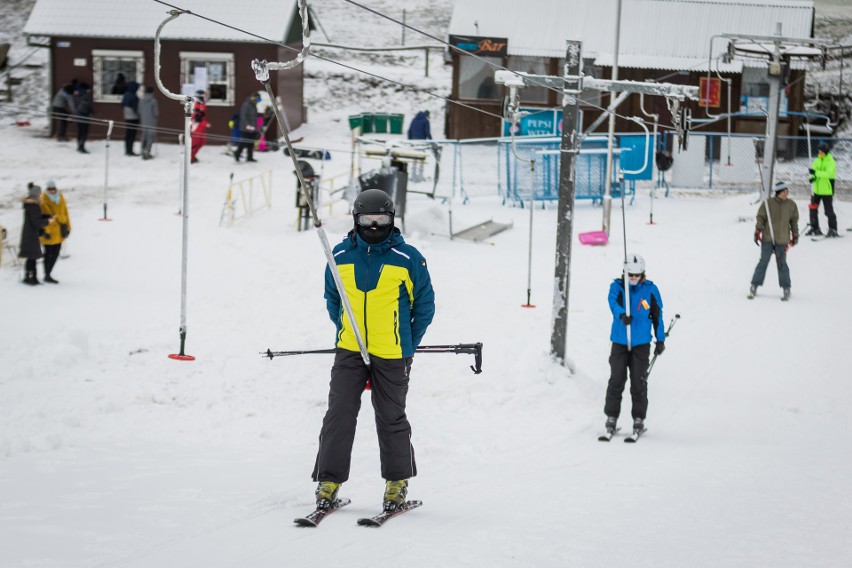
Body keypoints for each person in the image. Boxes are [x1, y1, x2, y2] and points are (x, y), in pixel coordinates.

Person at [312, 188, 435, 512]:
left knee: (391, 416)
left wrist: (407, 342)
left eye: (381, 219)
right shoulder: (339, 256)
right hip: (350, 350)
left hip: (393, 353)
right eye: (369, 219)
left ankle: (397, 483)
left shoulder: (408, 258)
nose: (375, 225)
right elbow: (333, 300)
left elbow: (425, 306)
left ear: (392, 220)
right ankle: (329, 481)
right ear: (357, 220)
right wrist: (345, 331)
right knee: (338, 415)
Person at [603, 253, 666, 437]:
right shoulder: (618, 287)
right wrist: (622, 314)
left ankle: (639, 418)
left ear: (643, 274)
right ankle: (611, 417)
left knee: (639, 381)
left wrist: (660, 339)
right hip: (620, 341)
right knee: (616, 379)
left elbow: (657, 315)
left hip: (641, 344)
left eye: (637, 275)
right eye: (630, 275)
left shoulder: (650, 289)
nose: (633, 279)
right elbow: (612, 302)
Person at [749, 182, 799, 301]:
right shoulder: (768, 203)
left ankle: (786, 287)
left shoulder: (791, 205)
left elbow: (794, 221)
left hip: (782, 239)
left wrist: (795, 234)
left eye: (786, 192)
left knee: (782, 264)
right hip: (768, 238)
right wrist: (757, 231)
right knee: (763, 262)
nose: (785, 194)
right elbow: (760, 217)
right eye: (783, 192)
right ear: (777, 192)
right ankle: (754, 285)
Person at [18, 183, 53, 285]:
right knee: (32, 257)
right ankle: (31, 278)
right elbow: (37, 221)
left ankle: (29, 276)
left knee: (31, 257)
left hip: (29, 234)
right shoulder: (33, 206)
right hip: (31, 235)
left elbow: (36, 218)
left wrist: (45, 216)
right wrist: (48, 221)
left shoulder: (30, 204)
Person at [39, 179, 71, 284]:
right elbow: (43, 217)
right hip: (49, 231)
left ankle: (49, 273)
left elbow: (66, 212)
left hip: (60, 229)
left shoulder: (60, 197)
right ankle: (47, 274)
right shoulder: (43, 199)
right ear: (47, 189)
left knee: (56, 253)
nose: (52, 190)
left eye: (53, 188)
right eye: (50, 189)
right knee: (48, 253)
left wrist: (68, 227)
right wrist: (46, 231)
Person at [805, 142, 838, 238]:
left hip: (827, 190)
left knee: (828, 211)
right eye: (819, 152)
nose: (820, 153)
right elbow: (812, 172)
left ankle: (833, 229)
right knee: (813, 208)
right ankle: (815, 228)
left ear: (826, 152)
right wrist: (811, 177)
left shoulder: (831, 161)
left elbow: (828, 174)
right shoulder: (817, 161)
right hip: (816, 190)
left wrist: (815, 173)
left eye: (822, 152)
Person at [235, 92, 260, 163]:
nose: (258, 101)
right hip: (246, 128)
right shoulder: (246, 105)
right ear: (254, 98)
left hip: (253, 128)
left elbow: (253, 116)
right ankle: (237, 153)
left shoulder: (253, 105)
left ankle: (249, 157)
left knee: (251, 143)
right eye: (258, 99)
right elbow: (243, 116)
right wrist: (247, 125)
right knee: (244, 142)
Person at [139, 85, 159, 160]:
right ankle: (147, 152)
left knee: (144, 136)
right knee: (150, 137)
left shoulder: (141, 100)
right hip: (151, 122)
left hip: (144, 121)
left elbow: (139, 111)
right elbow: (156, 113)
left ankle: (142, 150)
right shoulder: (153, 101)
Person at [121, 80, 140, 156]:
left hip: (127, 116)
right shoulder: (134, 96)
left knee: (128, 134)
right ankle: (130, 151)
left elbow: (122, 104)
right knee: (132, 134)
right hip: (133, 118)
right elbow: (136, 109)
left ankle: (127, 150)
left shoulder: (125, 94)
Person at [74, 83, 93, 154]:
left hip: (78, 116)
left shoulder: (77, 95)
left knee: (80, 132)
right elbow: (87, 106)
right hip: (84, 116)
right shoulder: (86, 96)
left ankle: (79, 145)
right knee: (84, 132)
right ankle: (81, 147)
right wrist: (91, 111)